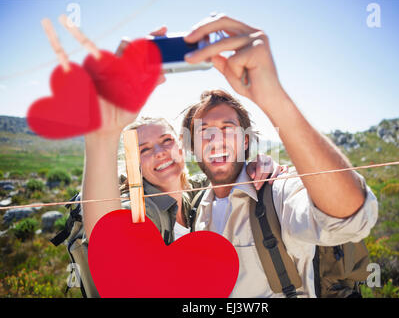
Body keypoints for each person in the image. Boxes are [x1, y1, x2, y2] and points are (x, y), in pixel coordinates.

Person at [174, 15, 379, 297]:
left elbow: (349, 220)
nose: (216, 138)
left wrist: (272, 96)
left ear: (246, 140)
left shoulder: (277, 191)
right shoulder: (195, 205)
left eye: (227, 128)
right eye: (203, 131)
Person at [81, 29, 286, 243]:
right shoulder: (141, 210)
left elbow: (224, 177)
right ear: (134, 163)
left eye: (166, 141)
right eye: (145, 149)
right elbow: (107, 236)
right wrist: (101, 137)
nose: (160, 153)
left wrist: (256, 164)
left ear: (182, 146)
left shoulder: (196, 194)